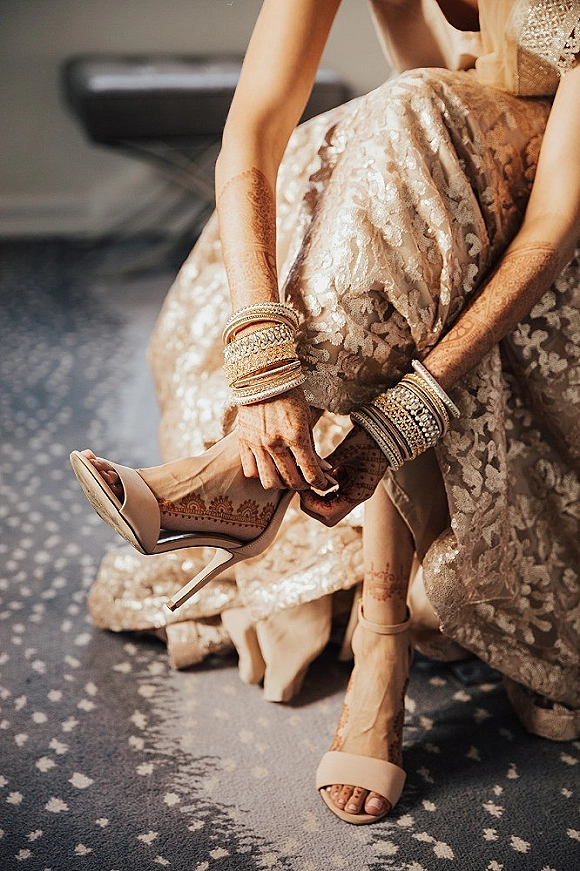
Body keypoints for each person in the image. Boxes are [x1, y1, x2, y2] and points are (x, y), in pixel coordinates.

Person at [71, 0, 580, 824]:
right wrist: (262, 363)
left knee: (413, 118)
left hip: (560, 176)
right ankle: (263, 461)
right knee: (340, 149)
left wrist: (403, 417)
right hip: (448, 151)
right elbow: (254, 131)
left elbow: (553, 220)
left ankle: (249, 490)